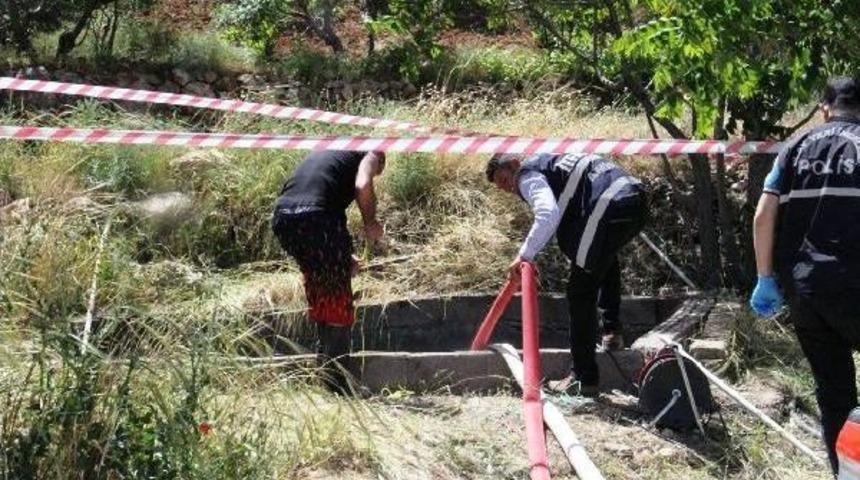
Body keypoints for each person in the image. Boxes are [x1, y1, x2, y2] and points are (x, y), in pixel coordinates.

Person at [750, 75, 860, 474]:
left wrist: (765, 277)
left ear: (823, 109)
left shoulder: (793, 148)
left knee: (834, 393)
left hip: (806, 288)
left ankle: (844, 472)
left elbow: (764, 216)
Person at [486, 152, 647, 396]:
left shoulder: (528, 174)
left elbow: (547, 213)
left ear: (514, 165)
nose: (509, 189)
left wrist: (524, 255)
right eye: (502, 188)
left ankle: (583, 378)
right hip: (635, 199)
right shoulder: (553, 164)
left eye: (505, 180)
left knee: (579, 292)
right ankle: (612, 331)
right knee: (603, 258)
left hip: (609, 204)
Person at [272, 149, 385, 391]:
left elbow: (313, 193)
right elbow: (363, 184)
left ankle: (324, 376)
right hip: (317, 217)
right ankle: (337, 384)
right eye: (379, 171)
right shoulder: (371, 152)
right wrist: (370, 223)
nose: (376, 173)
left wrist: (341, 256)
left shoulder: (329, 152)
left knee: (322, 289)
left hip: (284, 218)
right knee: (336, 298)